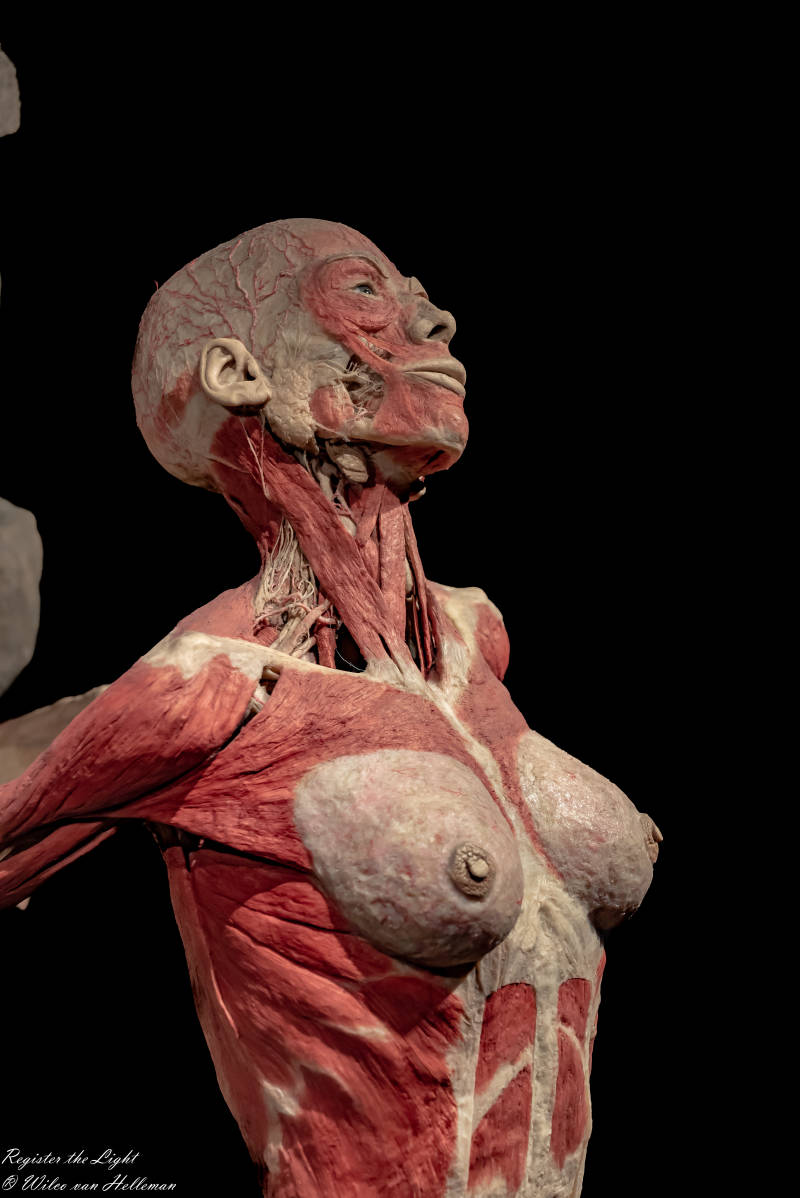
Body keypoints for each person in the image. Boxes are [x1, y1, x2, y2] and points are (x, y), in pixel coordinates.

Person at [0, 218, 661, 1198]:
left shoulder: (475, 636)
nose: (433, 320)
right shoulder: (213, 685)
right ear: (238, 372)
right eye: (363, 293)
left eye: (416, 295)